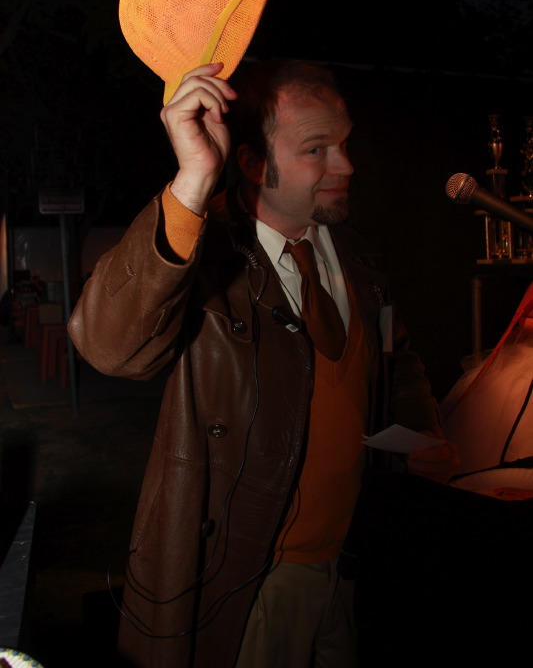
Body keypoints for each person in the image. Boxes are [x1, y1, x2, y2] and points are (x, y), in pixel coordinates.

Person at [68, 60, 458, 668]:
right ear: (252, 163)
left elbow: (394, 355)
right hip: (248, 585)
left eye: (345, 143)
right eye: (316, 149)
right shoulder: (206, 255)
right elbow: (108, 347)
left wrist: (420, 428)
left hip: (351, 567)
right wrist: (193, 180)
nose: (346, 165)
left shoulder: (358, 256)